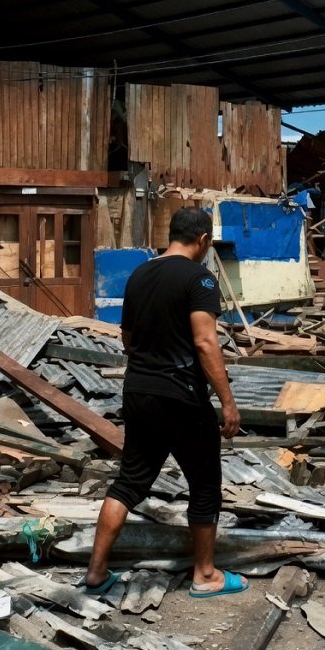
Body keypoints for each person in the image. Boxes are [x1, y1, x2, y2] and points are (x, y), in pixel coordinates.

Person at [83, 206, 248, 598]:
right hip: (181, 396)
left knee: (128, 482)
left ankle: (95, 572)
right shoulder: (199, 280)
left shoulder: (140, 275)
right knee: (205, 484)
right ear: (203, 241)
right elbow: (206, 342)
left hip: (138, 391)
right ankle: (205, 575)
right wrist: (227, 402)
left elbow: (126, 337)